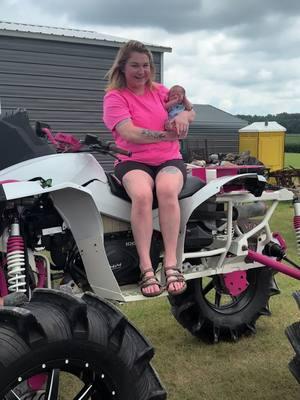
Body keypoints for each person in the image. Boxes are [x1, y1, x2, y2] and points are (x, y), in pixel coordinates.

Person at [103, 40, 195, 297]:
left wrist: (182, 116)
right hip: (133, 160)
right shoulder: (115, 97)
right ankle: (146, 267)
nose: (141, 71)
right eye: (135, 65)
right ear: (122, 67)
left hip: (168, 160)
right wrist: (165, 135)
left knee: (166, 190)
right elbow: (129, 132)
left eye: (145, 65)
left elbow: (189, 111)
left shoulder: (160, 91)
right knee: (142, 194)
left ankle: (171, 264)